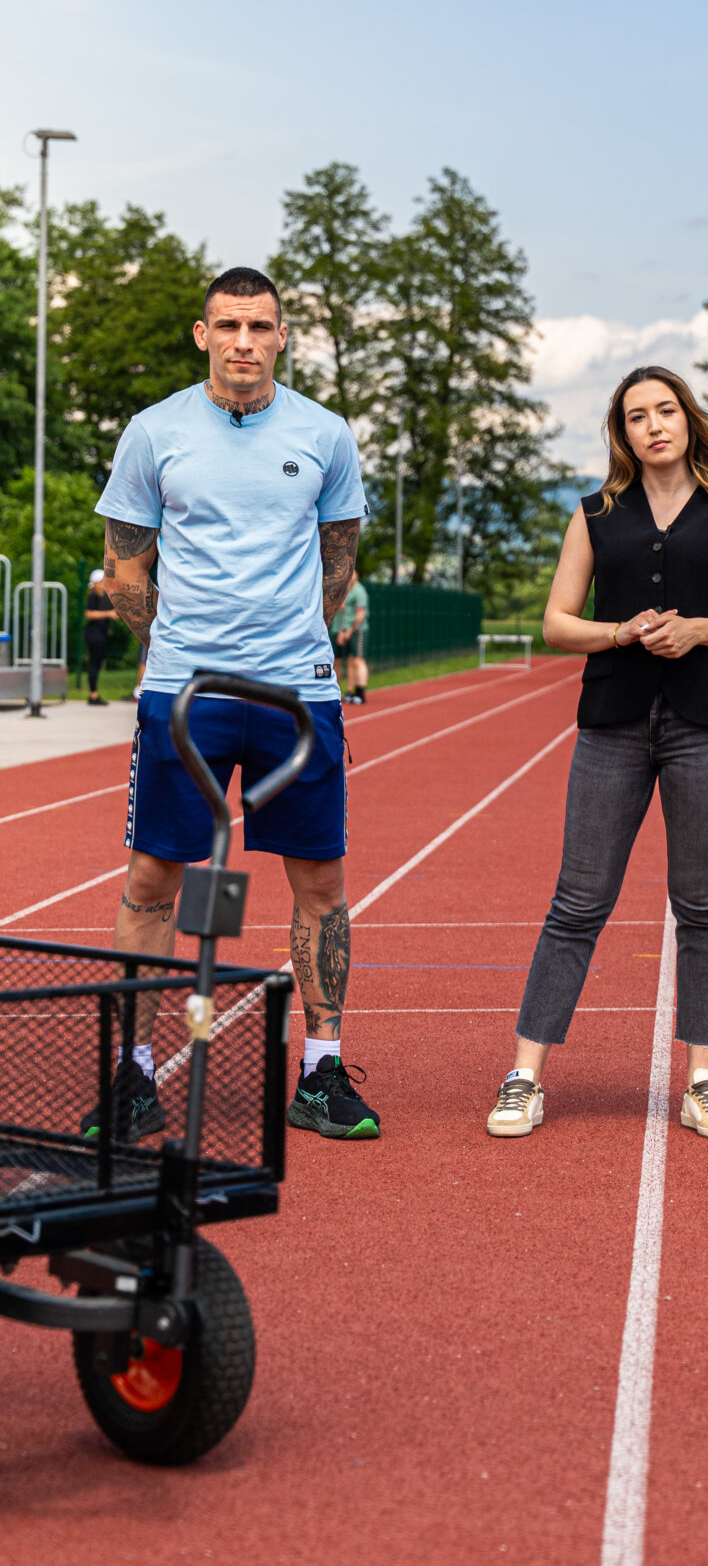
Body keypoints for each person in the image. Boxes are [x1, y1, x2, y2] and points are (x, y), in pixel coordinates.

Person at [89, 265, 380, 1144]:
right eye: (229, 326)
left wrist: (291, 640)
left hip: (298, 691)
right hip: (184, 690)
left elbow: (338, 564)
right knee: (152, 880)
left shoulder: (325, 434)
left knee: (320, 879)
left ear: (283, 336)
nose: (245, 341)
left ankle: (321, 1070)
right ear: (203, 334)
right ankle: (133, 1074)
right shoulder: (155, 432)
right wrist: (173, 650)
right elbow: (125, 567)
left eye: (261, 326)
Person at [486, 364, 708, 1142]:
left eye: (666, 411)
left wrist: (698, 629)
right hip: (612, 720)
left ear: (689, 420)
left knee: (703, 904)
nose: (654, 425)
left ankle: (703, 1079)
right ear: (621, 433)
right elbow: (557, 623)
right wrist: (618, 632)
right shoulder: (593, 515)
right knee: (577, 901)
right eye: (636, 416)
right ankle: (524, 1075)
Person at [333, 576, 370, 703]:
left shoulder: (359, 591)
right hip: (342, 630)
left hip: (356, 630)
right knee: (345, 661)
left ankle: (360, 693)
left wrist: (349, 631)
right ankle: (345, 692)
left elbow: (360, 614)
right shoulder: (344, 589)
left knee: (357, 660)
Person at [83, 568, 116, 705]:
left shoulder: (105, 597)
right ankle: (93, 694)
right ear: (95, 583)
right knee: (94, 663)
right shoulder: (93, 596)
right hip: (94, 633)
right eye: (101, 581)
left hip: (100, 633)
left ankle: (94, 693)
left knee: (97, 662)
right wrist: (108, 614)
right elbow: (89, 614)